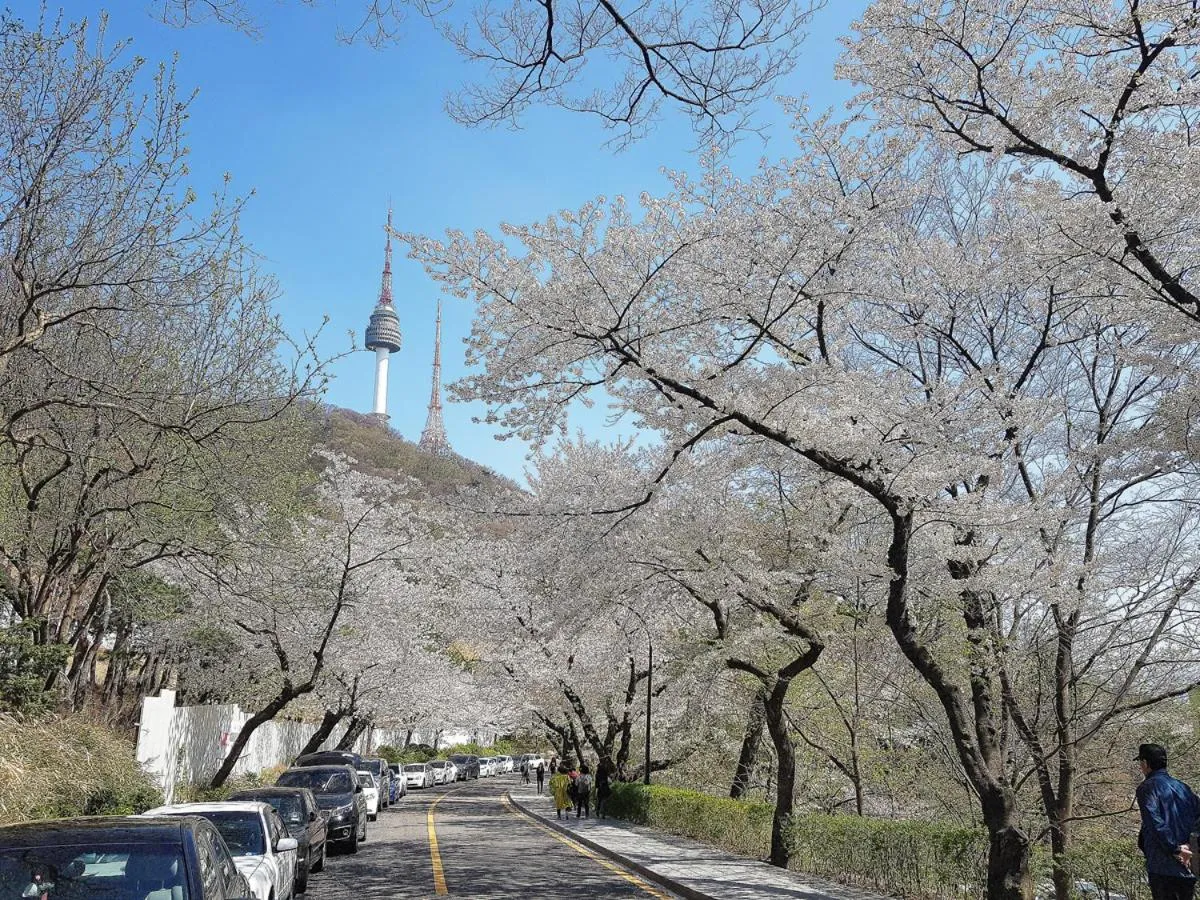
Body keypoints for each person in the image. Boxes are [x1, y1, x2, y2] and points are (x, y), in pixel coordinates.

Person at [1136, 743, 1200, 900]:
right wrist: (1189, 846)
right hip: (1187, 865)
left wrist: (1176, 849)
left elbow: (1154, 821)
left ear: (1145, 763)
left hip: (1162, 866)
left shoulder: (1147, 788)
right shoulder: (1184, 788)